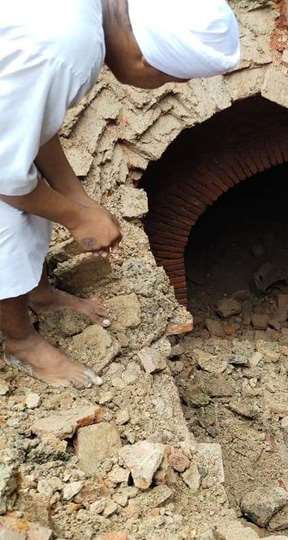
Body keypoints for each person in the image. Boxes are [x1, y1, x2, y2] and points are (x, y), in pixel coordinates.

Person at [0, 0, 240, 388]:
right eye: (165, 79)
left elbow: (29, 124)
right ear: (145, 61)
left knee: (37, 193)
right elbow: (5, 172)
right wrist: (76, 217)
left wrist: (76, 197)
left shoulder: (82, 21)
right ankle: (20, 340)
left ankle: (38, 294)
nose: (158, 87)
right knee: (7, 219)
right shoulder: (66, 51)